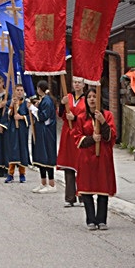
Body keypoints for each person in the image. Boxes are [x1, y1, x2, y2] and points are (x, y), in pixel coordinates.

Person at [72, 88, 116, 230]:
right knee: (87, 189)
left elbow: (111, 136)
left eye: (94, 96)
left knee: (102, 189)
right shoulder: (80, 117)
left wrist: (103, 122)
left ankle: (101, 219)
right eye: (89, 96)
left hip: (102, 156)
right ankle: (90, 219)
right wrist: (91, 139)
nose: (91, 99)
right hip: (86, 158)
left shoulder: (107, 115)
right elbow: (76, 137)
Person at [58, 79, 85, 208]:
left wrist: (75, 118)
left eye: (79, 82)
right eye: (75, 82)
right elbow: (60, 114)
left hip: (80, 133)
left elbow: (88, 116)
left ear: (84, 85)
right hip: (68, 134)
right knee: (68, 166)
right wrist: (62, 105)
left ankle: (82, 196)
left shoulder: (87, 99)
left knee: (81, 166)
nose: (77, 84)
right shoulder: (67, 97)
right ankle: (69, 197)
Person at [31, 80, 58, 193]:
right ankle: (43, 183)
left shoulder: (47, 101)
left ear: (39, 89)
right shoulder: (43, 100)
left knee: (47, 155)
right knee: (41, 156)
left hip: (46, 132)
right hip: (40, 131)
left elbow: (43, 116)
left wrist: (33, 109)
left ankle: (51, 184)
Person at [3, 84, 31, 183]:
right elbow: (6, 115)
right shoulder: (11, 102)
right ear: (14, 91)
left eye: (21, 90)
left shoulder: (26, 103)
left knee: (22, 149)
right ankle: (10, 174)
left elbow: (31, 117)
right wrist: (11, 105)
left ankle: (22, 174)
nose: (19, 92)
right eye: (17, 90)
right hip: (12, 129)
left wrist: (22, 117)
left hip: (22, 130)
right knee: (12, 150)